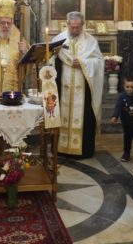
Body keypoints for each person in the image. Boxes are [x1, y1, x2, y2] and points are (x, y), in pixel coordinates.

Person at [53, 11, 104, 159]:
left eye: (78, 27)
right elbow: (49, 60)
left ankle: (83, 150)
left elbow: (99, 62)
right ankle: (61, 148)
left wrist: (84, 63)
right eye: (72, 27)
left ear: (83, 25)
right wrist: (54, 56)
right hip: (63, 87)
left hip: (84, 89)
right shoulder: (59, 39)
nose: (75, 30)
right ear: (67, 24)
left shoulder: (91, 41)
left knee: (85, 117)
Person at [110, 77, 133, 162]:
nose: (129, 89)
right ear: (124, 86)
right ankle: (126, 153)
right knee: (127, 137)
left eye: (132, 87)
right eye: (127, 87)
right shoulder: (121, 97)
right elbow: (118, 107)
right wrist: (115, 116)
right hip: (126, 122)